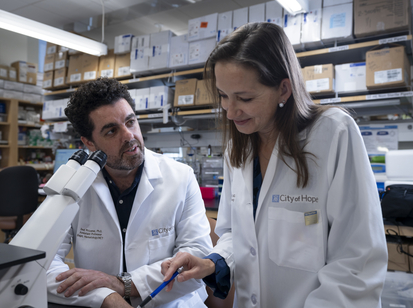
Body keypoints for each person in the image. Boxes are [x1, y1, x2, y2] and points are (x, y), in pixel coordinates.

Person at [162, 22, 388, 307]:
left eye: (244, 98)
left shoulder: (333, 133)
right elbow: (235, 234)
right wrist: (215, 262)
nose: (230, 112)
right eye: (223, 96)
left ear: (283, 89)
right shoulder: (239, 147)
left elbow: (357, 262)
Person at [46, 78, 213, 308]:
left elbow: (198, 259)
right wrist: (106, 297)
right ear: (89, 143)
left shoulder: (180, 176)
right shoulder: (73, 186)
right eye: (112, 130)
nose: (129, 136)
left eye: (130, 122)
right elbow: (41, 262)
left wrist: (122, 284)